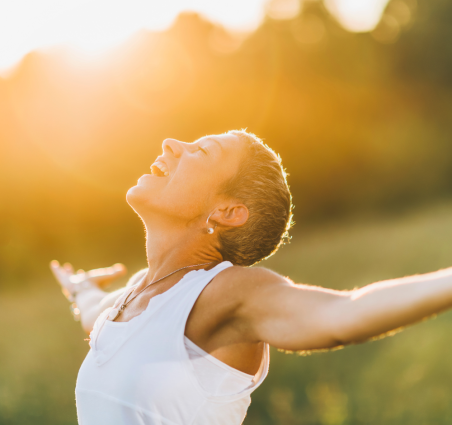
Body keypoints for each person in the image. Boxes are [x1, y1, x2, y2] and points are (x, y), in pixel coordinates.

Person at [51, 130, 452, 425]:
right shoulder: (136, 293)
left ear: (227, 212)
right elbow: (93, 314)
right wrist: (79, 288)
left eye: (201, 150)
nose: (171, 144)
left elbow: (343, 315)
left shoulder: (225, 292)